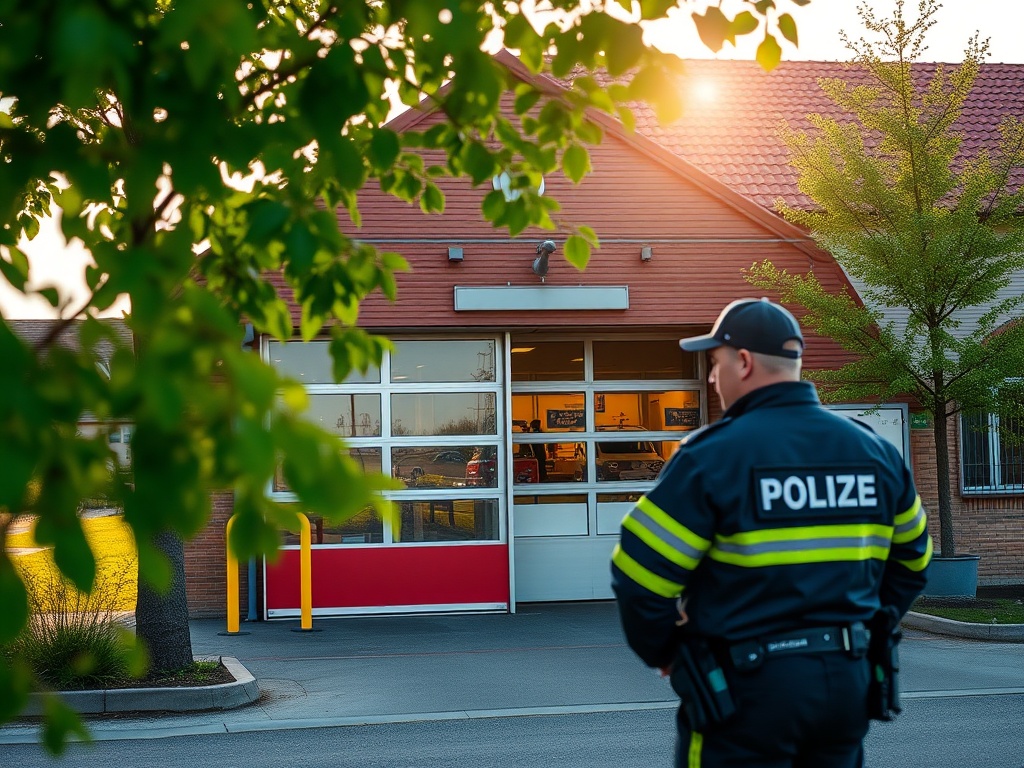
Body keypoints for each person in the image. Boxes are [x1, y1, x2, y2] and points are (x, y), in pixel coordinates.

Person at [611, 298, 932, 768]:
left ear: (742, 362)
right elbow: (915, 561)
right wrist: (863, 624)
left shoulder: (711, 457)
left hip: (745, 693)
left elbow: (637, 574)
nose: (711, 378)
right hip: (847, 686)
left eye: (715, 363)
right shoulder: (875, 453)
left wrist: (670, 654)